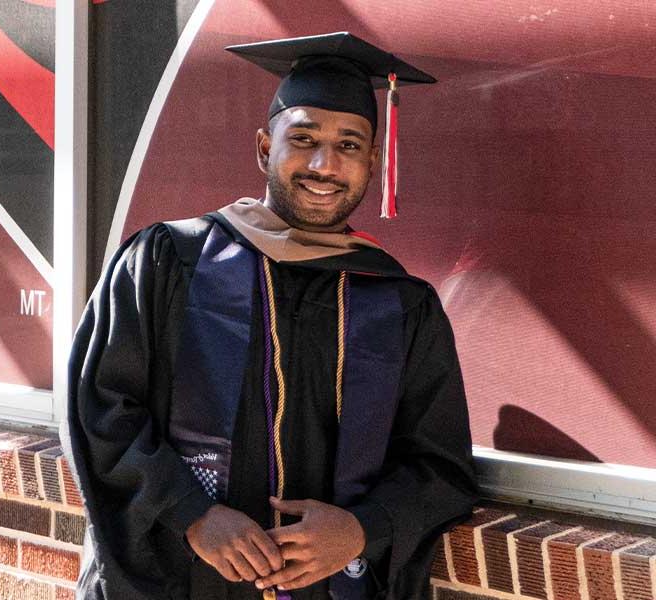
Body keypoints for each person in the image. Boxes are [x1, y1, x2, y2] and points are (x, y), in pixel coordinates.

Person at [61, 32, 478, 599]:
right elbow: (100, 408)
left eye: (349, 145)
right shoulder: (167, 260)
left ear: (373, 162)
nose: (324, 164)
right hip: (179, 579)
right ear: (264, 148)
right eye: (302, 139)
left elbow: (440, 466)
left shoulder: (401, 303)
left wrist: (360, 530)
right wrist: (193, 515)